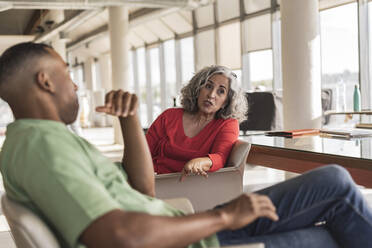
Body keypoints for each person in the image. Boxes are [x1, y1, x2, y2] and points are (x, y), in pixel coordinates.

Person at [0, 42, 372, 248]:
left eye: (221, 90)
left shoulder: (45, 140)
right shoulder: (42, 146)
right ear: (46, 81)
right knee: (336, 182)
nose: (76, 85)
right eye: (68, 73)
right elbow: (119, 235)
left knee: (330, 233)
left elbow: (141, 188)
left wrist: (129, 120)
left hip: (183, 226)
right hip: (191, 235)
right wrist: (223, 216)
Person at [146, 65, 247, 178]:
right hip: (154, 179)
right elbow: (144, 151)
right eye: (208, 86)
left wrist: (201, 162)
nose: (211, 95)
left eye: (221, 91)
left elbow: (220, 157)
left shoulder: (228, 124)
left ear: (225, 102)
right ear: (198, 89)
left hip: (191, 185)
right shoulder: (169, 116)